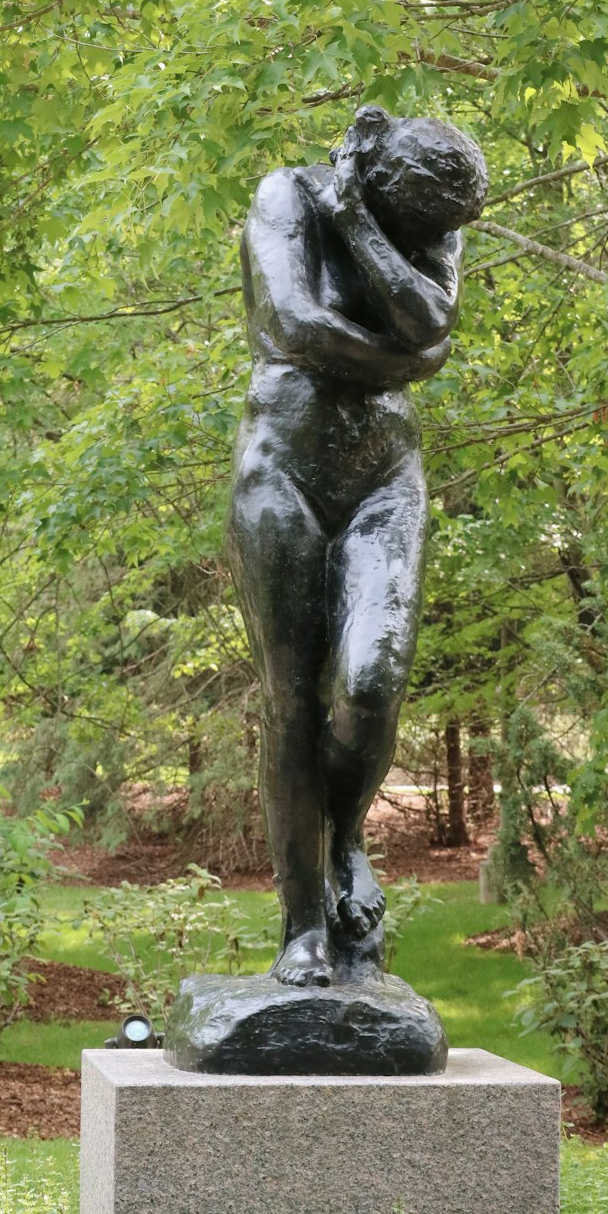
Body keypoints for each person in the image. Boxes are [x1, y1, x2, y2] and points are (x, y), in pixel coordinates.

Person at [226, 104, 487, 986]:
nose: (434, 245)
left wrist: (358, 228)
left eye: (436, 237)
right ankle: (304, 923)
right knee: (292, 701)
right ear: (381, 176)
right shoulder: (285, 195)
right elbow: (295, 324)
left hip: (385, 477)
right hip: (282, 472)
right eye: (416, 228)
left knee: (372, 683)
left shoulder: (423, 215)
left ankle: (345, 837)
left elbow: (432, 329)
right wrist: (404, 354)